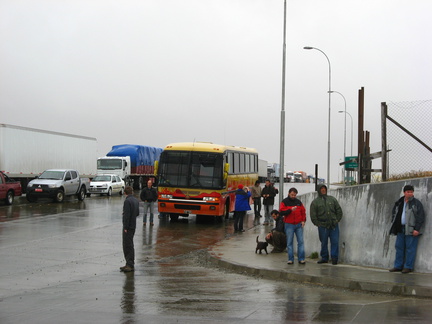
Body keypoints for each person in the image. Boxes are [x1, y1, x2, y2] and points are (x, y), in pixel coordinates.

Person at [389, 185, 425, 274]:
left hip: (411, 229)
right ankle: (398, 266)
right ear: (404, 192)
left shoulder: (416, 203)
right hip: (400, 228)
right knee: (399, 247)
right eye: (408, 192)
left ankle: (408, 267)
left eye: (411, 192)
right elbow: (394, 214)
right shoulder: (399, 202)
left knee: (410, 248)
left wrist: (417, 229)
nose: (410, 193)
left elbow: (421, 217)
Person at [310, 184, 343, 265]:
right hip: (323, 225)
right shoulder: (315, 202)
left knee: (335, 241)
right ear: (319, 190)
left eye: (324, 189)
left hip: (333, 225)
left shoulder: (332, 199)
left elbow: (339, 210)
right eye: (321, 189)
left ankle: (334, 258)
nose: (323, 190)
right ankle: (324, 257)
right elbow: (313, 215)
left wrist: (337, 220)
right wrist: (318, 224)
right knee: (323, 242)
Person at [280, 188, 306, 264]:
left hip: (298, 224)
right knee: (289, 242)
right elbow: (281, 212)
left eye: (294, 195)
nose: (293, 196)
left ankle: (301, 258)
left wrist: (303, 220)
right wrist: (290, 210)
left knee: (300, 242)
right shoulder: (284, 202)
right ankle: (290, 259)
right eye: (292, 195)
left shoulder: (299, 202)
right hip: (289, 224)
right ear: (288, 194)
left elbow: (303, 212)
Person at [120, 186, 140, 272]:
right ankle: (129, 263)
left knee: (127, 245)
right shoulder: (135, 200)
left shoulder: (127, 201)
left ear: (125, 193)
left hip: (128, 227)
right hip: (133, 225)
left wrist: (125, 227)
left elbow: (127, 216)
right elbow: (137, 213)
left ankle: (129, 264)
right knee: (130, 244)